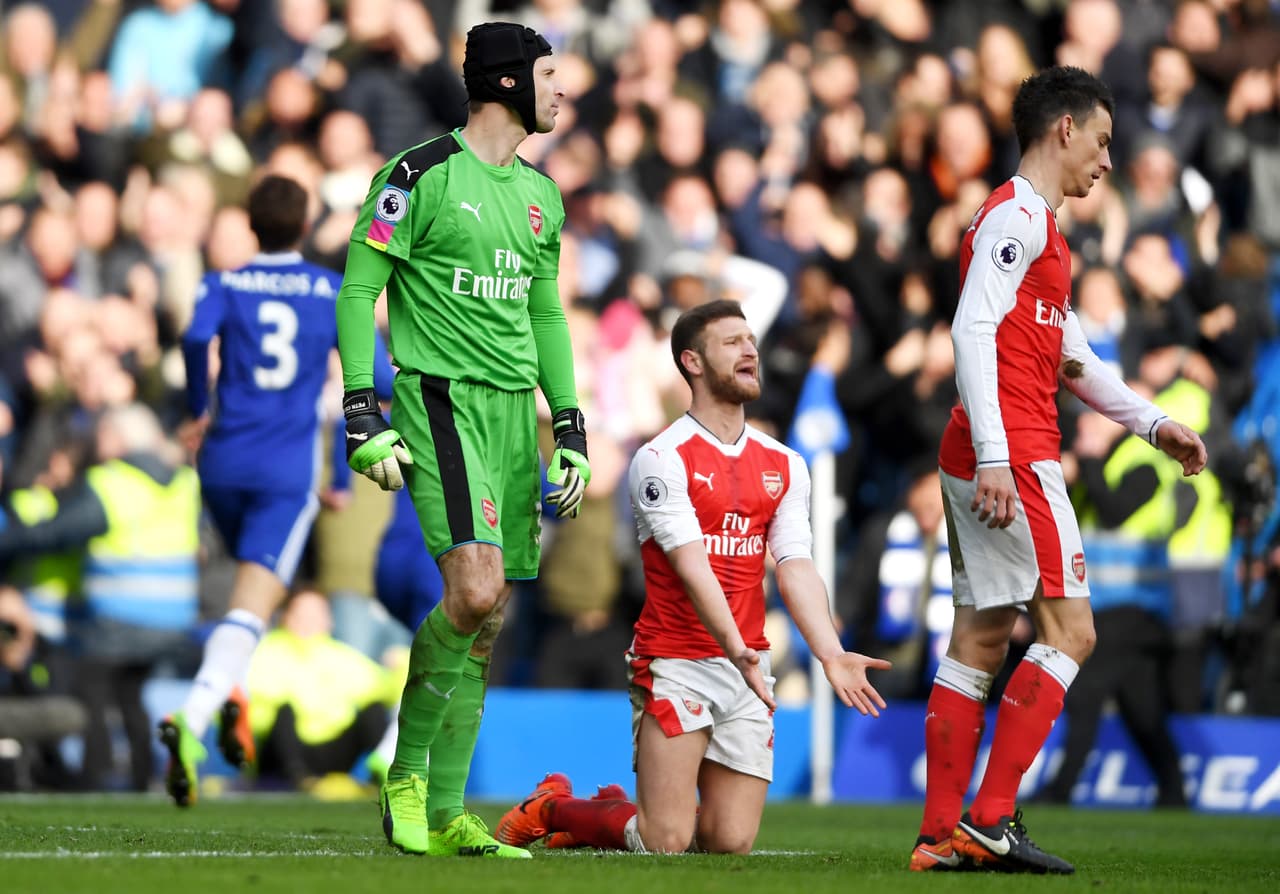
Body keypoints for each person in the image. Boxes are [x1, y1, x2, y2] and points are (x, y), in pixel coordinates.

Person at [910, 66, 1208, 875]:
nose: (1108, 161)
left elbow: (1071, 357)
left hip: (977, 449)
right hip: (1015, 452)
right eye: (1103, 141)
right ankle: (991, 818)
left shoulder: (1034, 229)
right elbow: (971, 329)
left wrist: (1152, 424)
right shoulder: (1018, 219)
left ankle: (941, 836)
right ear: (1064, 129)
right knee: (1072, 632)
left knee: (977, 636)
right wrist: (1005, 456)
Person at [493, 300, 890, 854]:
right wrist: (736, 648)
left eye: (750, 340)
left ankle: (615, 807)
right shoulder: (661, 457)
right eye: (731, 342)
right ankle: (555, 807)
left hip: (747, 662)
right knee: (666, 840)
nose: (750, 349)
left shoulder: (784, 463)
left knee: (729, 841)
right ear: (693, 362)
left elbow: (795, 564)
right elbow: (691, 564)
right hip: (676, 660)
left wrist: (829, 652)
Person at [334, 22, 588, 857]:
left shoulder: (543, 196)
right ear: (509, 82)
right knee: (474, 591)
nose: (563, 91)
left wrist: (571, 421)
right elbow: (359, 287)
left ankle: (446, 813)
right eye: (551, 75)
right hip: (440, 400)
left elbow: (545, 313)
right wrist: (363, 411)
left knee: (489, 617)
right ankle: (404, 775)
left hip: (519, 416)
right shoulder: (417, 175)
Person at [158, 174, 392, 806]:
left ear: (251, 224)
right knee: (254, 599)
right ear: (306, 220)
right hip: (286, 472)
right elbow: (373, 371)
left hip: (222, 460)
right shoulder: (330, 289)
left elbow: (192, 336)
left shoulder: (223, 282)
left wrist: (195, 405)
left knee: (246, 590)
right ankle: (196, 717)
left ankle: (234, 691)